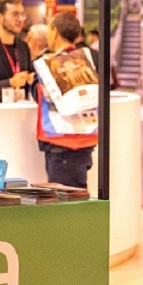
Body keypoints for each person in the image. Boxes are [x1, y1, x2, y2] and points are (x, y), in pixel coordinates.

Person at [37, 12, 98, 187]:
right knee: (76, 192)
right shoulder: (89, 57)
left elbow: (39, 93)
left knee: (65, 199)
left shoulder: (49, 64)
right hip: (86, 137)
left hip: (61, 139)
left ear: (55, 32)